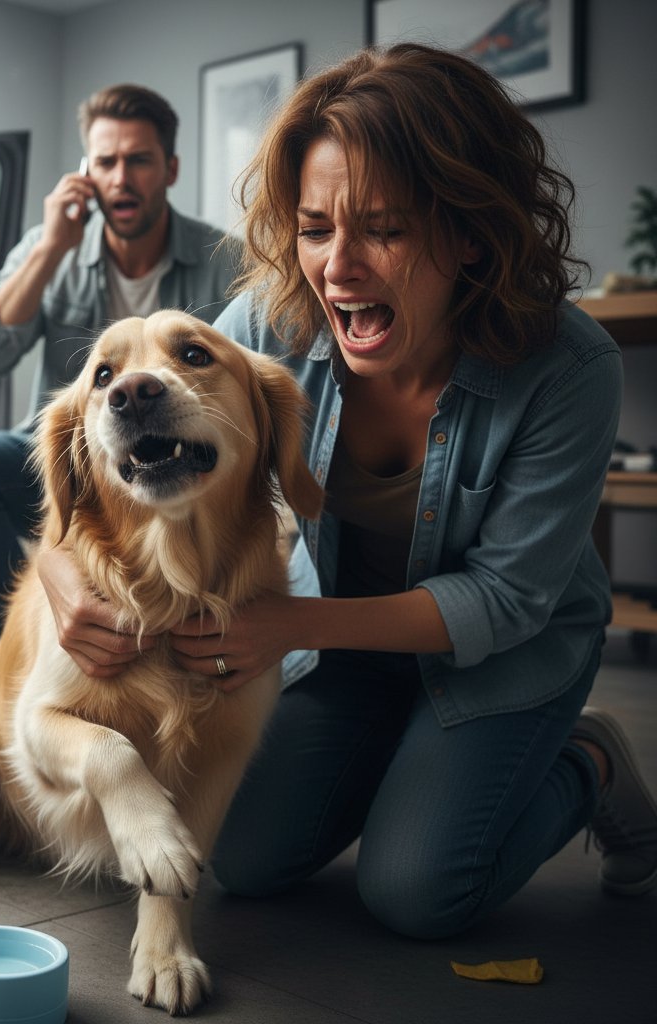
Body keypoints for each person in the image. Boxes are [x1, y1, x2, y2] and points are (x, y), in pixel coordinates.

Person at [37, 42, 657, 938]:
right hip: (336, 650)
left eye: (387, 229)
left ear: (473, 228)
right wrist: (61, 572)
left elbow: (508, 599)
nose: (338, 266)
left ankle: (587, 763)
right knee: (241, 863)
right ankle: (408, 764)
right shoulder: (267, 320)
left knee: (417, 895)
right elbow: (110, 445)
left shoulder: (572, 367)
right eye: (317, 226)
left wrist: (290, 624)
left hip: (502, 656)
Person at [0, 83, 241, 633]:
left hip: (185, 453)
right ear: (86, 173)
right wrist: (51, 250)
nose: (121, 178)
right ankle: (31, 635)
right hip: (77, 455)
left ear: (170, 169)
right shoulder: (49, 249)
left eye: (139, 161)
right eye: (106, 162)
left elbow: (265, 379)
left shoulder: (224, 261)